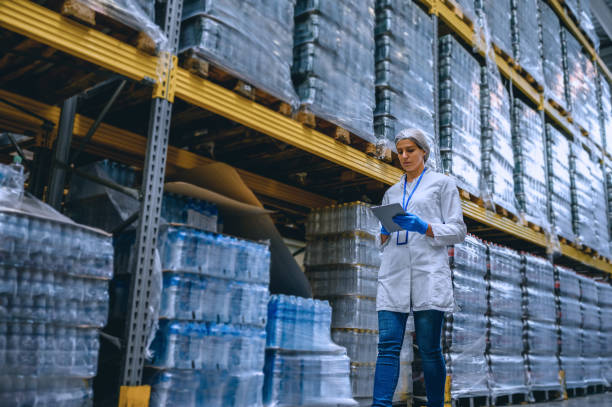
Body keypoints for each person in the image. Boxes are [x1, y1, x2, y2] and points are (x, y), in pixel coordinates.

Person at [372, 128, 467, 407]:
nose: (404, 156)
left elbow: (459, 231)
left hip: (428, 273)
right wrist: (382, 234)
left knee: (428, 349)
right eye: (400, 151)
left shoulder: (442, 184)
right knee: (387, 347)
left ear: (424, 151)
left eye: (410, 150)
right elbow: (380, 239)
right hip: (394, 274)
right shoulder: (391, 192)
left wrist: (425, 227)